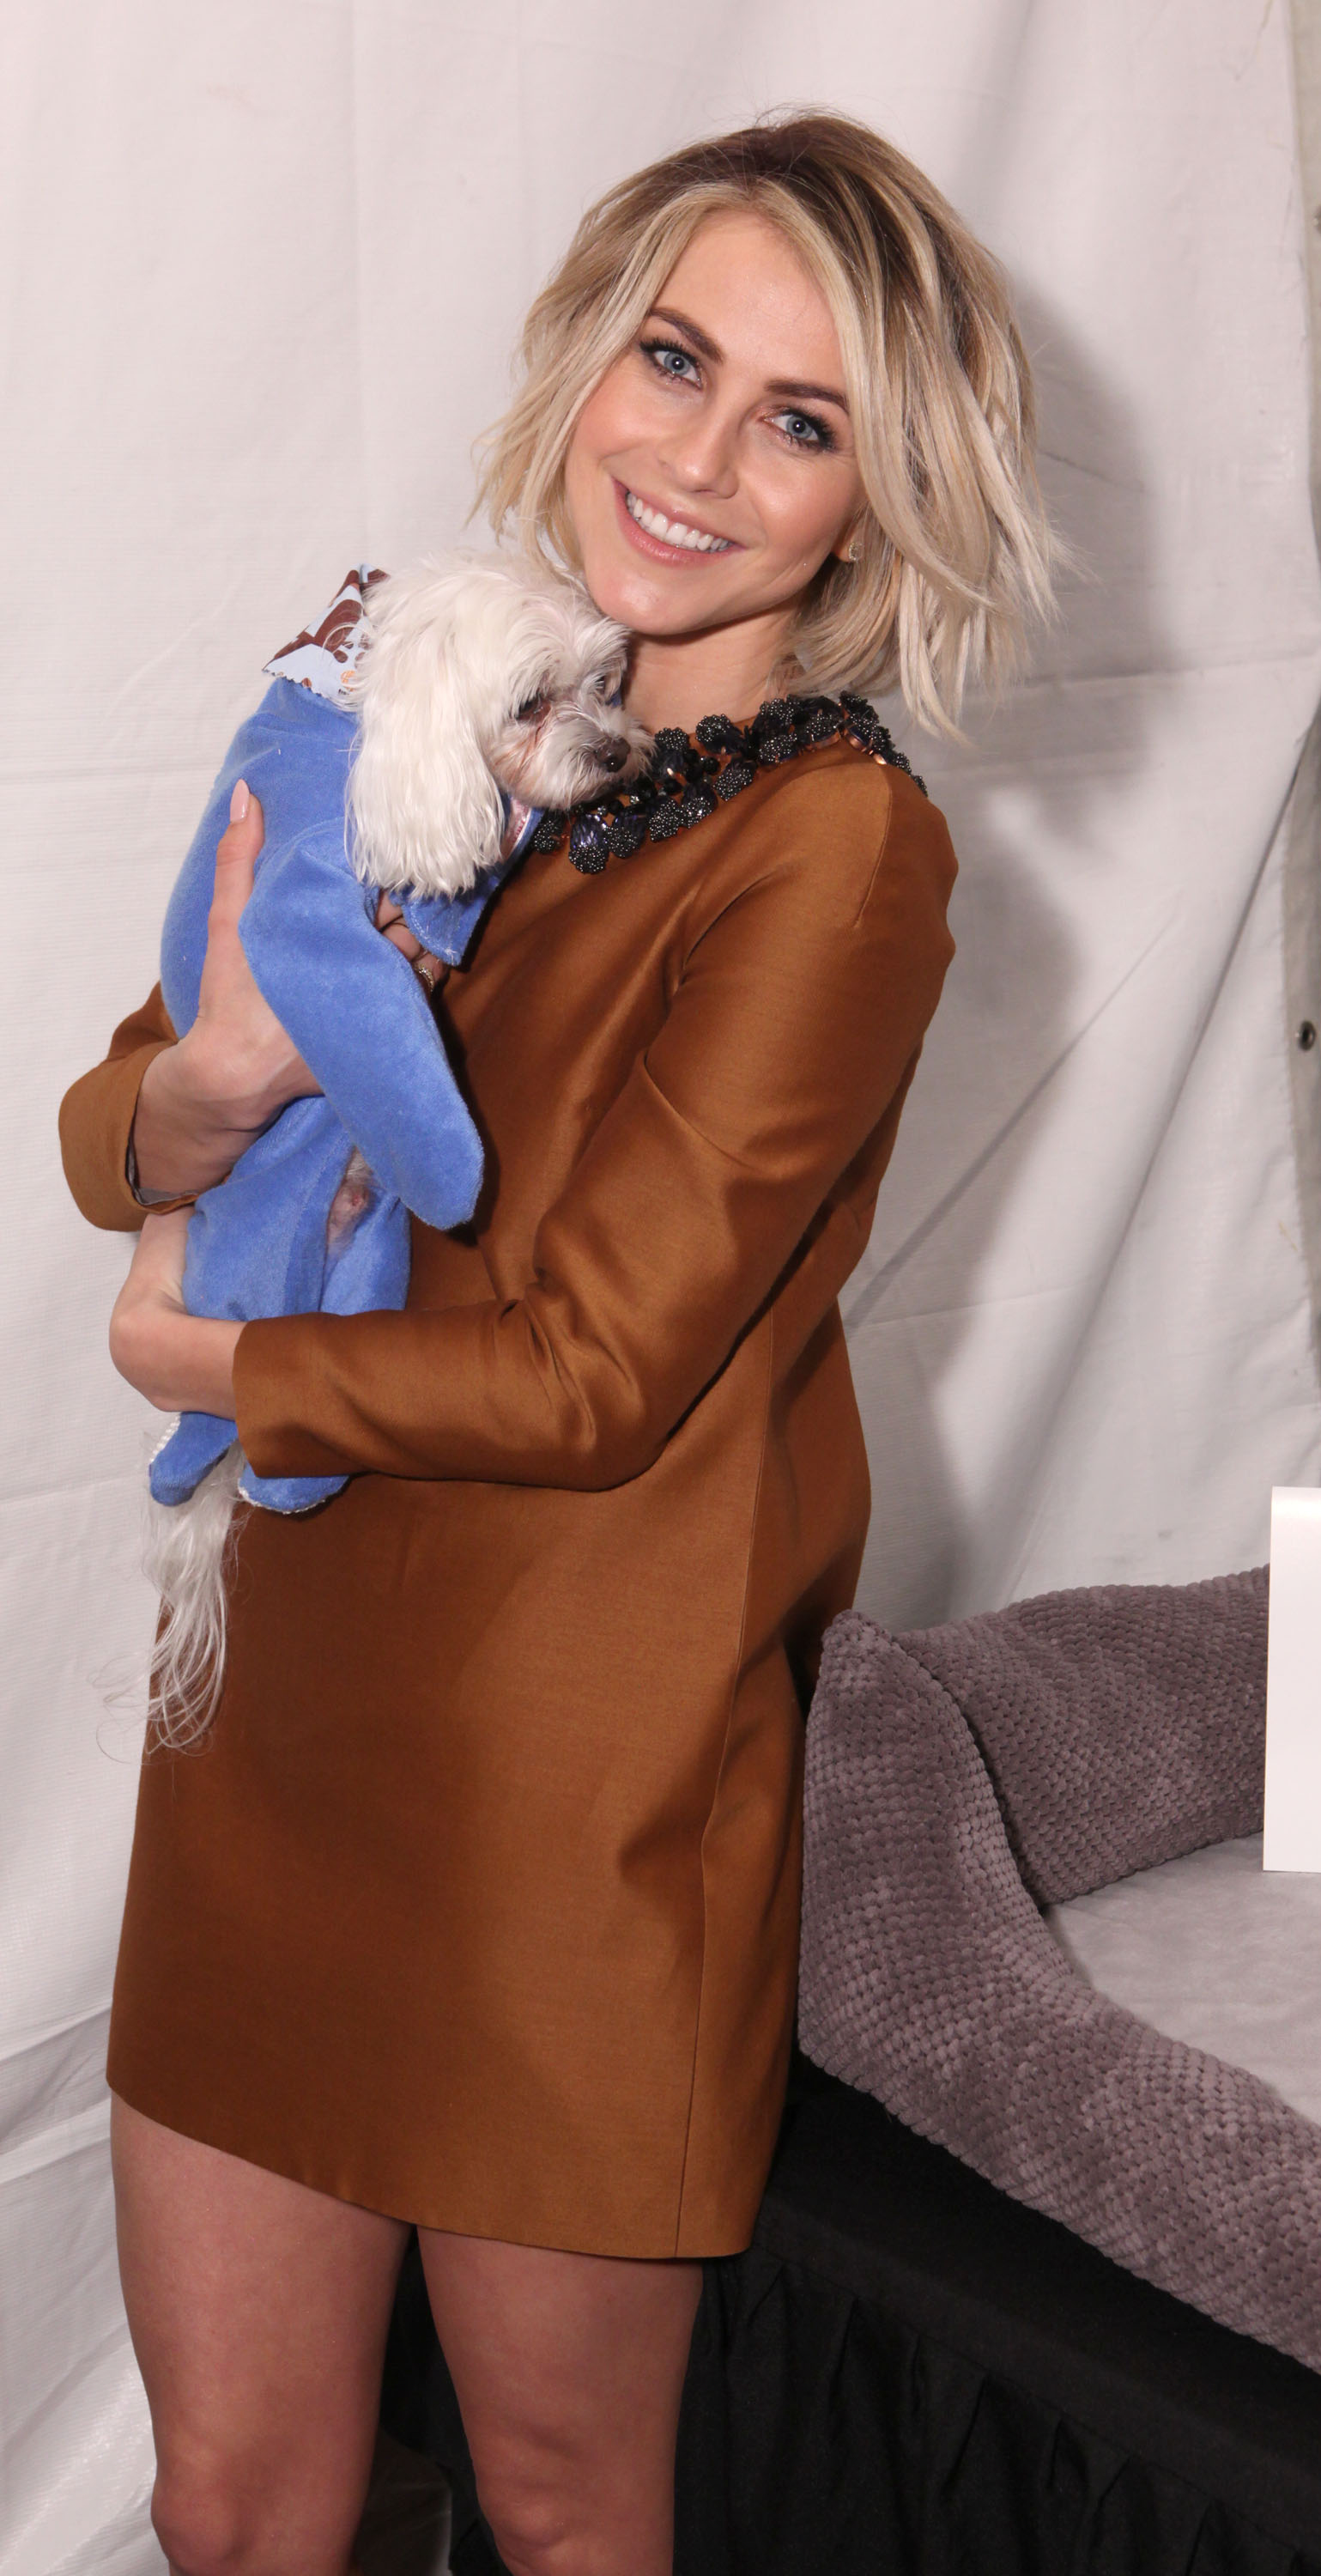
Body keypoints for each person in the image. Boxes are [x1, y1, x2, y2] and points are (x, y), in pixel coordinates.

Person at [58, 112, 1055, 2576]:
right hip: (275, 1724)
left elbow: (600, 1370)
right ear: (590, 355)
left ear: (879, 499)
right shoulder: (453, 684)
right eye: (676, 360)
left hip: (567, 1788)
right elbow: (137, 1096)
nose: (699, 461)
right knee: (231, 2509)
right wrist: (198, 1098)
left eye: (801, 421)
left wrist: (207, 1373)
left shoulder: (841, 846)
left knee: (565, 2510)